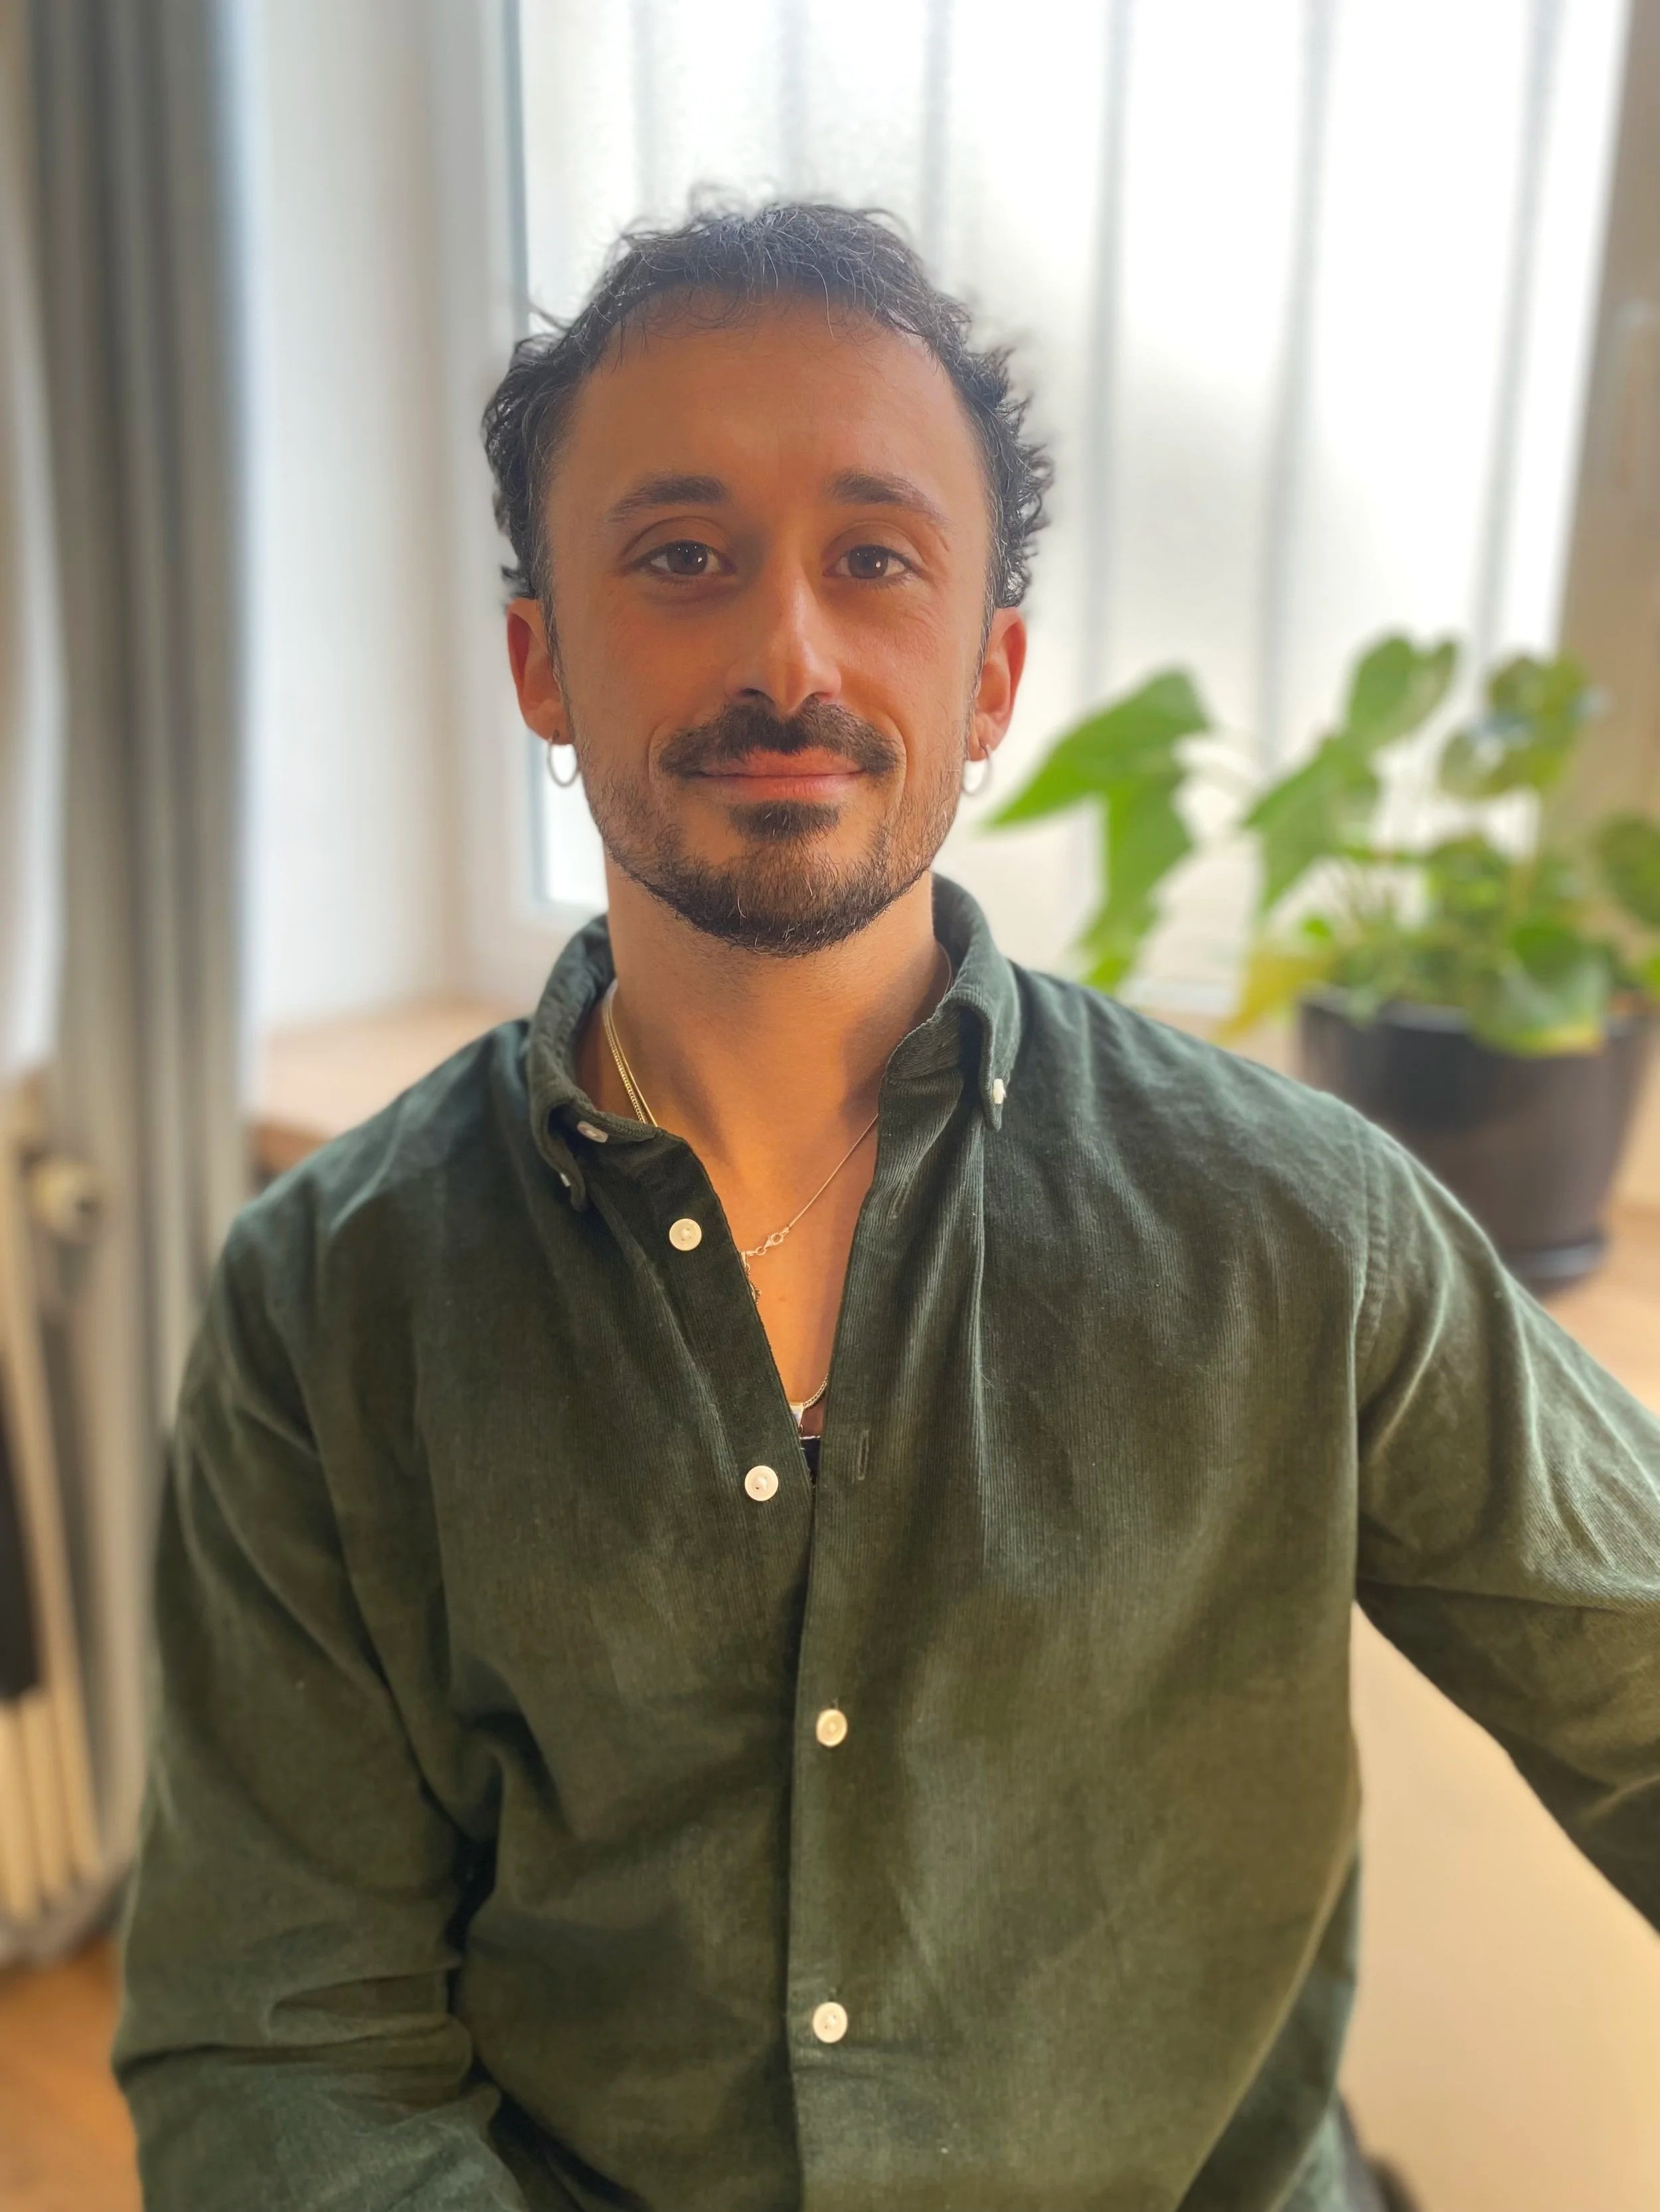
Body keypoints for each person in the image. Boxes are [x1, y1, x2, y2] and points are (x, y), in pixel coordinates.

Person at [114, 200, 1657, 2212]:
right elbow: (280, 2042)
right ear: (540, 660)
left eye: (876, 558)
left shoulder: (1303, 1231)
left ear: (989, 671)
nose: (785, 652)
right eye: (679, 558)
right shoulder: (330, 1304)